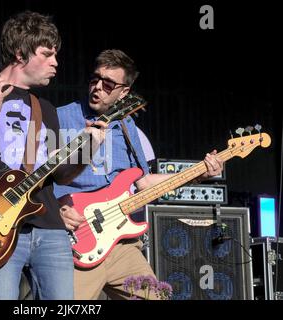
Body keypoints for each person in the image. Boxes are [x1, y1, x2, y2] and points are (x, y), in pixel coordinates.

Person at [0, 11, 106, 300]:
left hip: (50, 228)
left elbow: (60, 174)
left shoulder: (46, 108)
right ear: (20, 53)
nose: (56, 63)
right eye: (47, 54)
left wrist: (89, 148)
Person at [53, 49, 224, 300]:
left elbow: (143, 182)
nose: (97, 87)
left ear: (124, 92)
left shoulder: (126, 125)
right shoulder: (62, 117)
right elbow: (38, 175)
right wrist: (56, 208)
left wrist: (198, 173)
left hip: (122, 247)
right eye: (94, 79)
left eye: (108, 83)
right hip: (78, 241)